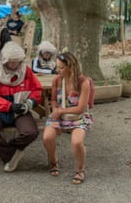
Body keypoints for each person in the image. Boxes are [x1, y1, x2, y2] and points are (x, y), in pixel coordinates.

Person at [0, 41, 42, 172]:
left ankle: (12, 152)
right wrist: (9, 106)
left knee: (31, 132)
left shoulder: (26, 71)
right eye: (11, 62)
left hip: (21, 108)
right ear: (4, 60)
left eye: (17, 61)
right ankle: (12, 155)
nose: (14, 65)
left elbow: (36, 89)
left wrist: (29, 103)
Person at [42, 51, 93, 184]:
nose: (57, 70)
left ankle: (80, 169)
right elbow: (53, 99)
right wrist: (55, 109)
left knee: (77, 142)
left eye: (61, 67)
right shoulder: (57, 80)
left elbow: (81, 108)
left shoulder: (84, 82)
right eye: (57, 67)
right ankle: (54, 161)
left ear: (71, 67)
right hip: (59, 115)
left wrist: (61, 110)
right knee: (47, 137)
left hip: (78, 117)